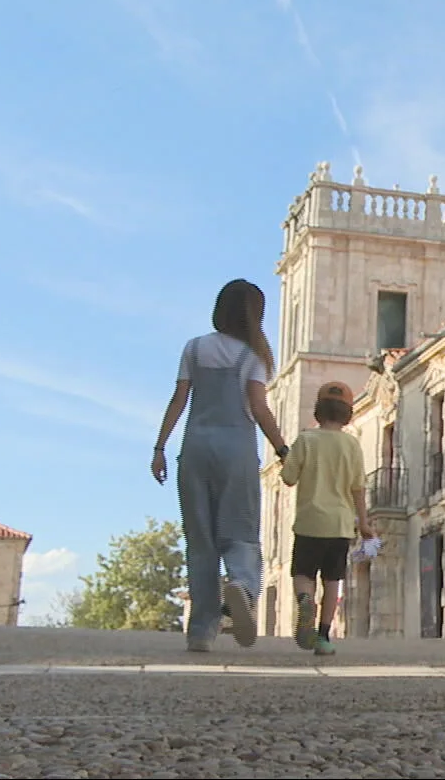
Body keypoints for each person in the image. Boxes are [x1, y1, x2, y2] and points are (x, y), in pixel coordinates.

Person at [151, 279, 291, 653]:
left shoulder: (194, 349)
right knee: (240, 528)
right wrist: (282, 449)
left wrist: (160, 446)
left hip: (195, 448)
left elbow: (179, 399)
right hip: (237, 449)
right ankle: (242, 586)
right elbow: (259, 408)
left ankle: (201, 629)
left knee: (200, 541)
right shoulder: (253, 357)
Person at [281, 382, 370, 658]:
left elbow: (288, 478)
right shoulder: (352, 445)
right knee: (333, 580)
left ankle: (305, 602)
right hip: (339, 525)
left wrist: (287, 457)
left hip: (309, 521)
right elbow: (358, 487)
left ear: (318, 410)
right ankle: (323, 636)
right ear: (347, 413)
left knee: (303, 574)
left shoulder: (305, 440)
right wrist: (364, 523)